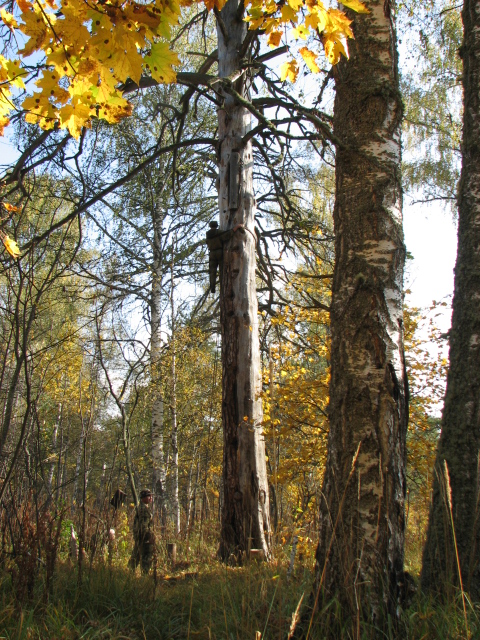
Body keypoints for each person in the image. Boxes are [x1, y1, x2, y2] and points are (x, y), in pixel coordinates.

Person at [206, 221, 244, 294]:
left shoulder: (208, 234)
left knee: (212, 272)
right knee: (222, 271)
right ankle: (222, 287)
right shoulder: (219, 232)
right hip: (219, 252)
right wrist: (237, 226)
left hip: (212, 254)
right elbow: (229, 234)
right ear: (216, 226)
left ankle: (212, 287)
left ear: (210, 226)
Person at [129, 489, 154, 574]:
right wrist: (148, 537)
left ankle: (129, 574)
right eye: (149, 496)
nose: (151, 498)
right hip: (144, 538)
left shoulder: (141, 507)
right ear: (143, 498)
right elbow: (144, 526)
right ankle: (144, 576)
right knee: (146, 558)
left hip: (140, 537)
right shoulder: (143, 509)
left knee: (135, 556)